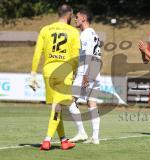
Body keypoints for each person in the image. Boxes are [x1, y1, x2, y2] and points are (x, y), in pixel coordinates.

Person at [29, 4, 80, 150]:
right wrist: (74, 71)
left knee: (56, 107)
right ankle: (47, 140)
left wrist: (33, 73)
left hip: (48, 70)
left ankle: (64, 140)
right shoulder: (73, 31)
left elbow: (37, 53)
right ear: (69, 14)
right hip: (64, 71)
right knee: (57, 107)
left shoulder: (45, 29)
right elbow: (76, 57)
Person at [68, 9, 101, 144]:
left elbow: (87, 56)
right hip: (96, 69)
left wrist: (85, 75)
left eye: (77, 17)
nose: (75, 19)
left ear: (83, 19)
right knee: (92, 103)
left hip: (87, 71)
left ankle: (82, 132)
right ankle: (95, 137)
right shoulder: (94, 33)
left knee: (69, 100)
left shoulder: (85, 34)